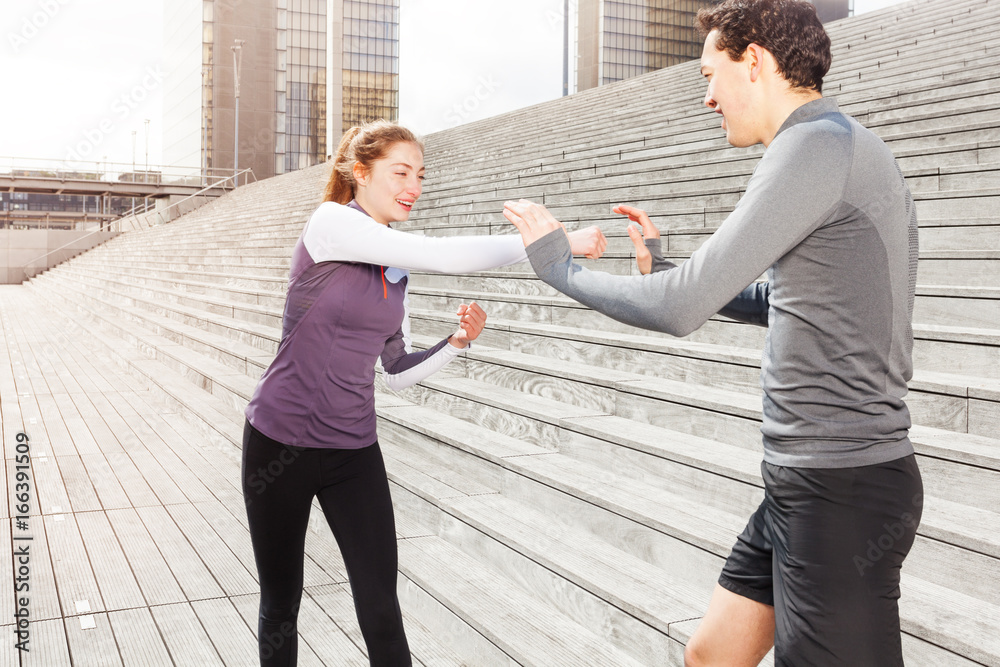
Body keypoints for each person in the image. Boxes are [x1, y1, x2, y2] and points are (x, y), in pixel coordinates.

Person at [502, 0, 922, 664]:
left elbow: (680, 307)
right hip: (805, 481)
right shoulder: (839, 143)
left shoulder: (816, 145)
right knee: (710, 655)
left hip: (841, 489)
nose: (706, 97)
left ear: (753, 61)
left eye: (709, 73)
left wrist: (560, 270)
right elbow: (790, 299)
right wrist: (669, 267)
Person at [242, 120, 608, 667]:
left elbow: (395, 369)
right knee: (282, 606)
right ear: (360, 173)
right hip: (279, 444)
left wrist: (458, 341)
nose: (414, 185)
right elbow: (443, 254)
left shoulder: (394, 271)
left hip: (352, 453)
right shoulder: (330, 224)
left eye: (420, 174)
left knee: (381, 608)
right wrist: (553, 244)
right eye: (401, 172)